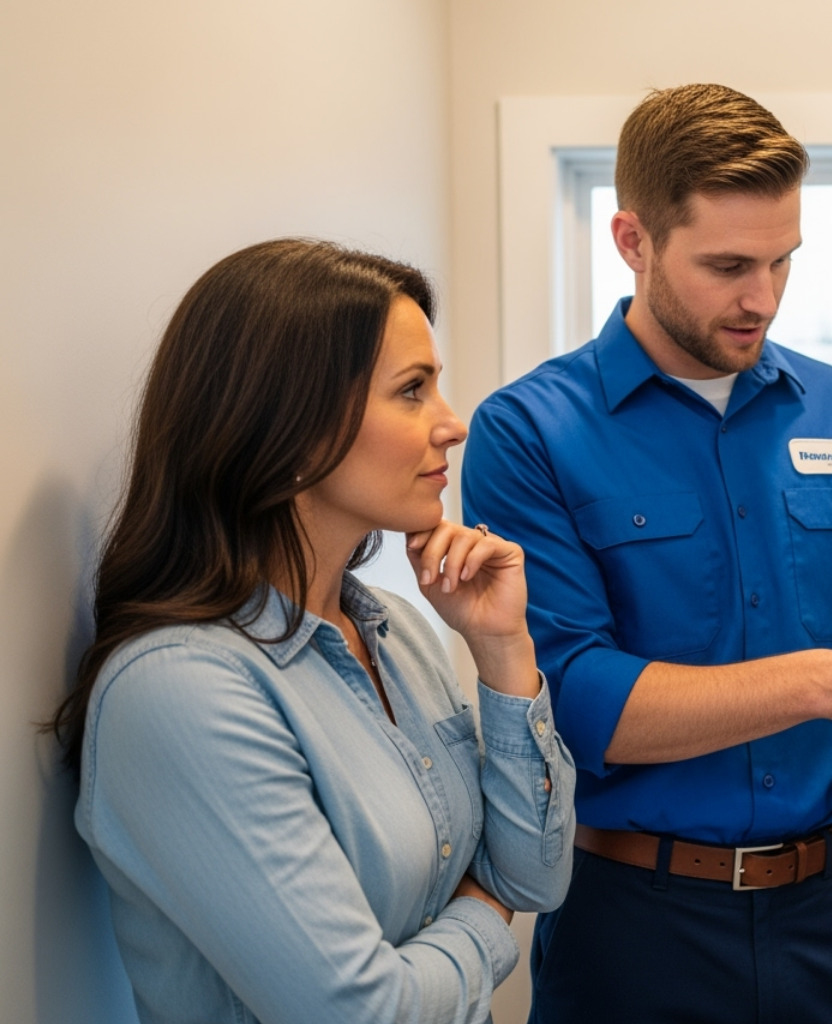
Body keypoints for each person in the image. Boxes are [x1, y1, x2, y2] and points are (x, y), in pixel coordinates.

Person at [461, 84, 832, 1022]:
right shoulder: (529, 431)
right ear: (634, 242)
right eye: (729, 264)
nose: (763, 299)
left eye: (784, 261)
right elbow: (574, 700)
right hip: (634, 929)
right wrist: (821, 682)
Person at [48, 238, 575, 1024]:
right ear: (289, 427)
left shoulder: (395, 629)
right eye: (412, 391)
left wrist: (502, 650)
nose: (452, 424)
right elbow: (363, 1012)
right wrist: (487, 912)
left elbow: (537, 874)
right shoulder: (179, 690)